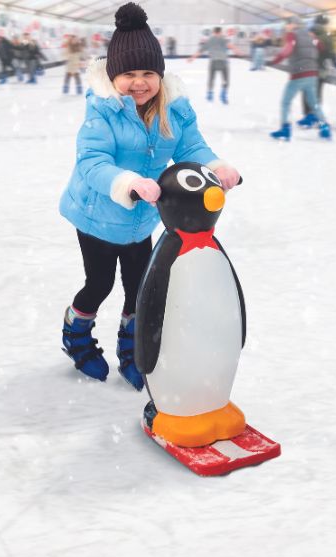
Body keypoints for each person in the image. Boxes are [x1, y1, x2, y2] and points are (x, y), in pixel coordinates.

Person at [58, 2, 240, 390]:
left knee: (138, 287)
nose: (139, 82)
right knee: (100, 284)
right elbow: (92, 162)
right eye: (128, 74)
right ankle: (76, 336)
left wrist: (217, 167)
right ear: (114, 76)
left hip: (141, 219)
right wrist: (127, 182)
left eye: (148, 73)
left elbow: (192, 148)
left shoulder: (173, 110)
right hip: (97, 217)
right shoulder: (103, 111)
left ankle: (131, 348)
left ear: (160, 75)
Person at [268, 16, 331, 140]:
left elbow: (287, 50)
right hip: (312, 73)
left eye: (287, 24)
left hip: (299, 73)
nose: (286, 26)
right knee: (314, 103)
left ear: (293, 24)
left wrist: (275, 60)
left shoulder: (292, 35)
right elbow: (321, 47)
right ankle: (325, 127)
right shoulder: (311, 35)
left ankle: (285, 129)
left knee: (286, 102)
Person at [297, 14, 335, 128]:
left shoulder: (307, 34)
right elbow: (331, 54)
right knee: (317, 93)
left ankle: (308, 116)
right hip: (321, 70)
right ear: (325, 24)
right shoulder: (328, 37)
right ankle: (315, 115)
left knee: (306, 92)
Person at [188, 27, 237, 104]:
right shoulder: (224, 39)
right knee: (225, 79)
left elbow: (200, 50)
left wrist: (192, 58)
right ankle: (223, 96)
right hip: (223, 62)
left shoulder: (210, 40)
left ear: (214, 32)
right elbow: (231, 46)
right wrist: (237, 51)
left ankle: (210, 94)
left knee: (211, 78)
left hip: (213, 62)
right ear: (220, 32)